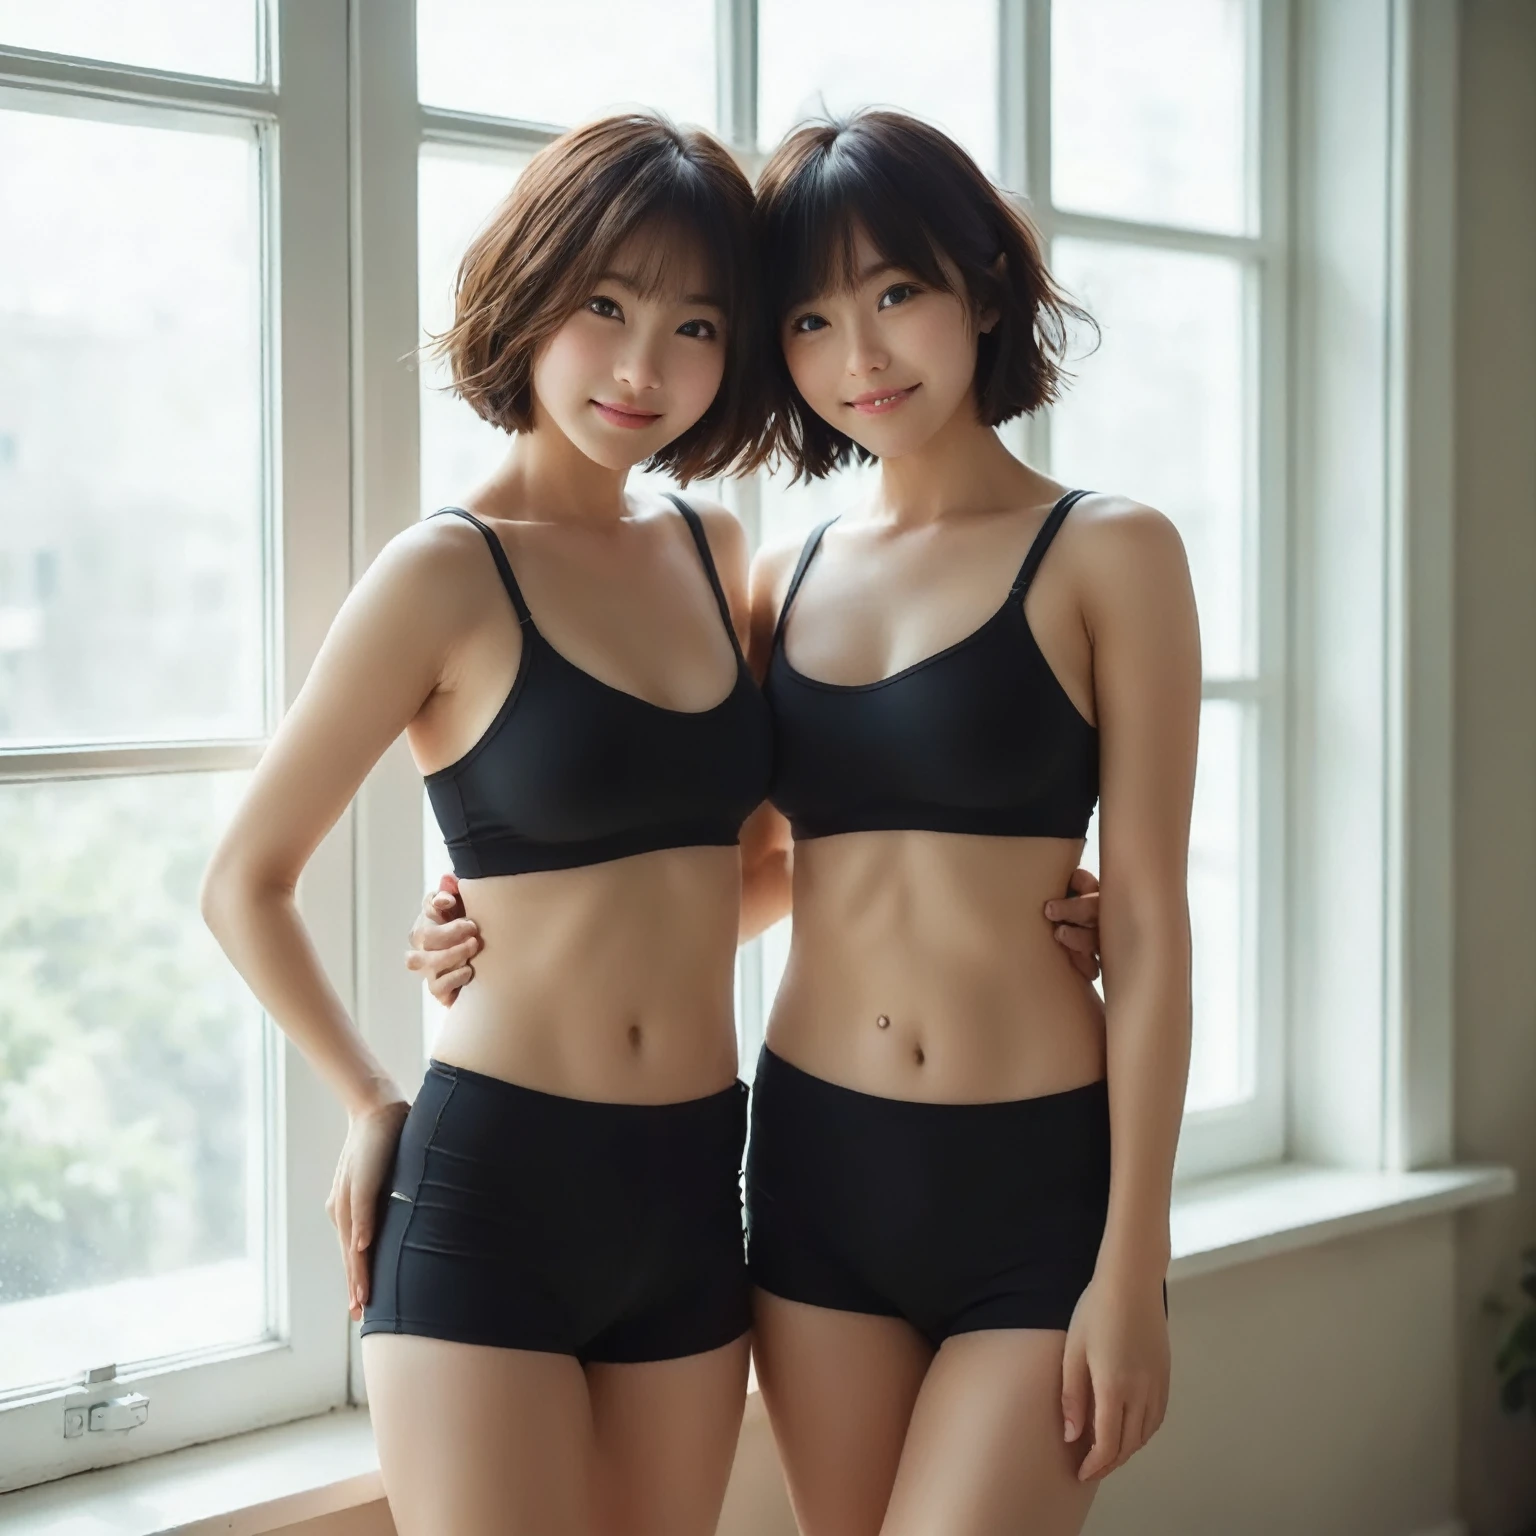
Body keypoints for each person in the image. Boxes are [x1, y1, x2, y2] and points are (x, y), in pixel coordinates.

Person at [409, 109, 1195, 1535]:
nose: (863, 356)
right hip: (817, 1166)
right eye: (816, 319)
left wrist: (1132, 1259)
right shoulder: (782, 572)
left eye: (897, 295)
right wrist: (507, 932)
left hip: (1033, 1178)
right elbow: (731, 862)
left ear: (985, 292)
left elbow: (1147, 919)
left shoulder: (1111, 551)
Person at [201, 112, 776, 1536]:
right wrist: (367, 1096)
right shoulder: (443, 575)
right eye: (606, 305)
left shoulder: (717, 553)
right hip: (491, 1189)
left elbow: (755, 870)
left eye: (696, 325)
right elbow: (244, 881)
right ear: (528, 294)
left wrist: (1026, 893)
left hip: (700, 1180)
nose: (646, 366)